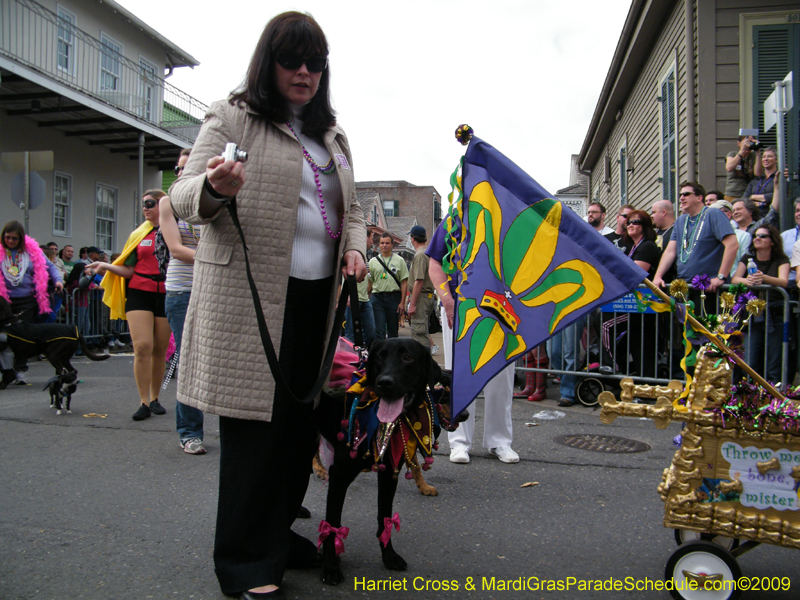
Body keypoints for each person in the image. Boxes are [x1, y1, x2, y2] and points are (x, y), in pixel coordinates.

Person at [167, 12, 367, 599]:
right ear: (269, 63)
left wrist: (354, 250)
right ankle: (246, 564)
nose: (304, 72)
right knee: (257, 434)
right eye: (291, 60)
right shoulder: (234, 117)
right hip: (249, 298)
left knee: (299, 433)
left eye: (315, 62)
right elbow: (182, 196)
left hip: (314, 300)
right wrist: (215, 186)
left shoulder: (332, 135)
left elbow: (352, 210)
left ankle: (275, 536)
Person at [427, 224, 518, 464]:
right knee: (461, 375)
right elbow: (435, 262)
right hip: (460, 308)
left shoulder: (506, 212)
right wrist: (446, 299)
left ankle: (500, 440)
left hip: (502, 307)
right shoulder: (452, 221)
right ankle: (458, 442)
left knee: (501, 376)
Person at [89, 191, 171, 421]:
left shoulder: (175, 229)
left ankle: (155, 398)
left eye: (150, 204)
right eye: (143, 204)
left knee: (159, 350)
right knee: (143, 346)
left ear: (163, 204)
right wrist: (105, 266)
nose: (145, 208)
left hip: (166, 293)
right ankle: (143, 401)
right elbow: (128, 269)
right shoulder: (138, 233)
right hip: (139, 293)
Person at [160, 150, 207, 455]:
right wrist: (215, 257)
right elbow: (176, 249)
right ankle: (189, 432)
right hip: (182, 291)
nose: (179, 175)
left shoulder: (213, 203)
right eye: (177, 169)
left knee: (220, 360)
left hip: (214, 289)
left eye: (186, 169)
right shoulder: (168, 203)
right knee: (189, 360)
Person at [0, 221, 64, 383]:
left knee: (21, 336)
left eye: (14, 238)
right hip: (3, 302)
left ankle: (20, 370)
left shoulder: (32, 252)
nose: (10, 241)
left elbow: (50, 267)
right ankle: (6, 370)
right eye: (7, 238)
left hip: (27, 301)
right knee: (3, 336)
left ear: (21, 238)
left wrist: (58, 281)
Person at [652, 182, 738, 302]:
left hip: (708, 287)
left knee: (705, 321)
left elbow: (732, 245)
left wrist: (720, 276)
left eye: (686, 194)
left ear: (699, 198)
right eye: (680, 195)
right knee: (682, 320)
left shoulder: (713, 214)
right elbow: (670, 252)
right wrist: (658, 276)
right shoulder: (681, 220)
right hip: (684, 286)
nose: (682, 198)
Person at [731, 225, 789, 383]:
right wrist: (747, 280)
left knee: (773, 358)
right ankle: (748, 395)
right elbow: (735, 279)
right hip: (752, 314)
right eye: (756, 235)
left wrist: (763, 278)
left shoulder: (781, 259)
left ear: (772, 241)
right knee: (750, 358)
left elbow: (783, 281)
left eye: (763, 236)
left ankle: (772, 397)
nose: (757, 238)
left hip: (774, 312)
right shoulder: (748, 258)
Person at [620, 210, 660, 377]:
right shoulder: (633, 247)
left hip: (647, 305)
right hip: (636, 306)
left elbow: (634, 274)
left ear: (645, 226)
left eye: (635, 222)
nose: (630, 225)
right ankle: (630, 375)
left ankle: (646, 384)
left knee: (644, 347)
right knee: (635, 344)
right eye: (628, 222)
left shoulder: (647, 246)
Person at [368, 232, 408, 339]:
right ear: (379, 245)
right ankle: (381, 354)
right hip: (377, 298)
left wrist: (402, 302)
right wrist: (366, 297)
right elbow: (370, 282)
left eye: (387, 243)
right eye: (382, 243)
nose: (384, 245)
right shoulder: (372, 262)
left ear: (392, 245)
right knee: (379, 330)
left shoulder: (399, 261)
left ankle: (393, 354)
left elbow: (404, 281)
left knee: (393, 329)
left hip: (393, 297)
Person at [406, 225, 435, 351]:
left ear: (413, 238)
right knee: (423, 329)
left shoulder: (420, 255)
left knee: (419, 332)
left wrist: (412, 304)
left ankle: (422, 366)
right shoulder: (429, 253)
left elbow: (419, 281)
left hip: (421, 297)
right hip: (427, 296)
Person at [709, 200, 751, 277]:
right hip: (710, 283)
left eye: (717, 213)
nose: (713, 217)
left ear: (728, 214)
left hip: (732, 283)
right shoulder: (708, 237)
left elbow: (744, 262)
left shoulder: (743, 235)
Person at [724, 135, 761, 200]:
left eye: (751, 142)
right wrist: (742, 151)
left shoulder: (753, 156)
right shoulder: (733, 154)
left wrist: (758, 153)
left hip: (749, 194)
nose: (748, 144)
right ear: (739, 143)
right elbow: (729, 168)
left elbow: (758, 174)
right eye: (746, 142)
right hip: (733, 194)